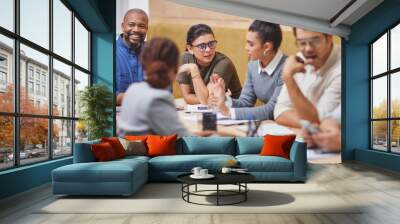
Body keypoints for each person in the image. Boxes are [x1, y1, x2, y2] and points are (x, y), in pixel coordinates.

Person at [118, 37, 212, 137]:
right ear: (175, 66)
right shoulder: (159, 98)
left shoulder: (134, 89)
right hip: (152, 151)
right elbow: (187, 140)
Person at [208, 20, 286, 120]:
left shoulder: (287, 68)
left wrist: (228, 112)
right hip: (272, 125)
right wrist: (224, 99)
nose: (246, 48)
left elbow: (272, 110)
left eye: (251, 44)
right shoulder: (253, 65)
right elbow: (245, 103)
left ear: (267, 47)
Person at [274, 28, 341, 128]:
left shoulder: (344, 66)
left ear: (329, 38)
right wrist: (311, 125)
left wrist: (288, 77)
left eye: (316, 41)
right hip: (305, 137)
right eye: (302, 43)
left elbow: (319, 120)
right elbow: (279, 112)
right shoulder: (299, 59)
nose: (308, 49)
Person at [176, 24, 242, 105]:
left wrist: (194, 70)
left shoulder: (224, 63)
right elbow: (187, 97)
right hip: (207, 109)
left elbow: (205, 99)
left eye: (211, 44)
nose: (208, 49)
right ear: (190, 48)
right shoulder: (185, 58)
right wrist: (205, 100)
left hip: (233, 109)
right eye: (202, 46)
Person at [116, 9, 149, 106]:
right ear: (123, 26)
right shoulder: (109, 52)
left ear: (147, 29)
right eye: (131, 25)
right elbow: (104, 95)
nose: (136, 30)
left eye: (142, 26)